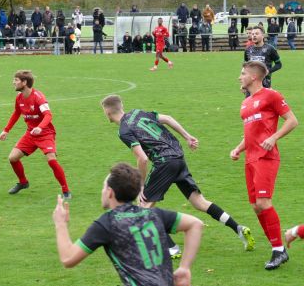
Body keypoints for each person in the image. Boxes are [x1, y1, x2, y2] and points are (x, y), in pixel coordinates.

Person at [52, 162, 203, 286]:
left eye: (103, 187)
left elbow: (68, 258)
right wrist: (184, 267)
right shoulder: (153, 214)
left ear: (110, 192)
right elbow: (195, 224)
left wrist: (60, 224)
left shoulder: (108, 223)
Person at [101, 95, 255, 258]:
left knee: (143, 208)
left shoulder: (124, 130)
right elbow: (167, 118)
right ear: (121, 106)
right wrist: (187, 136)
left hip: (164, 162)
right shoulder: (137, 113)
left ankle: (172, 248)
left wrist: (140, 186)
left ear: (107, 112)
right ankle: (238, 228)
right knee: (199, 202)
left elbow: (142, 158)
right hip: (178, 157)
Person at [230, 61, 298, 270]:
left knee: (263, 202)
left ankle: (278, 250)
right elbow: (251, 132)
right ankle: (278, 247)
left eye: (243, 74)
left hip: (266, 157)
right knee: (255, 206)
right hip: (250, 158)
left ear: (253, 77)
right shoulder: (246, 102)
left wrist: (274, 137)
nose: (239, 77)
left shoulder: (271, 95)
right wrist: (238, 148)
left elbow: (292, 121)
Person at [0, 70, 71, 197]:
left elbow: (48, 115)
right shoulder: (19, 98)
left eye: (16, 80)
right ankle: (23, 182)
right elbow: (16, 113)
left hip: (45, 133)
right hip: (30, 134)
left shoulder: (38, 97)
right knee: (12, 158)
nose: (13, 82)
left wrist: (40, 127)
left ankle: (66, 190)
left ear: (24, 82)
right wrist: (6, 130)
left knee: (52, 160)